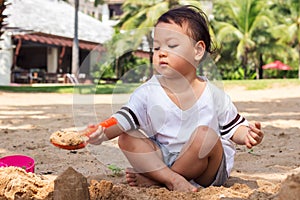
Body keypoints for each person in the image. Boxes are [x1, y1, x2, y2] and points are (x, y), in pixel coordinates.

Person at [87, 5, 264, 192]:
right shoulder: (148, 91)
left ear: (197, 51)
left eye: (171, 45)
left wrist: (248, 135)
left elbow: (234, 127)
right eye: (156, 47)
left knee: (204, 135)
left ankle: (161, 180)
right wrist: (101, 131)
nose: (161, 52)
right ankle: (171, 178)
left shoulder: (213, 94)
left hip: (207, 169)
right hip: (165, 158)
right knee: (127, 136)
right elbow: (124, 119)